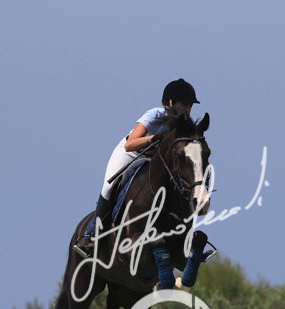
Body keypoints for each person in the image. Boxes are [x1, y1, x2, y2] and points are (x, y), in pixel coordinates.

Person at [73, 78, 200, 258]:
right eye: (184, 104)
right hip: (131, 154)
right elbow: (130, 144)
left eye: (190, 105)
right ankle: (91, 236)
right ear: (170, 103)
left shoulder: (184, 127)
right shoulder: (154, 115)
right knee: (109, 188)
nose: (188, 109)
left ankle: (187, 239)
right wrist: (153, 138)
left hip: (154, 161)